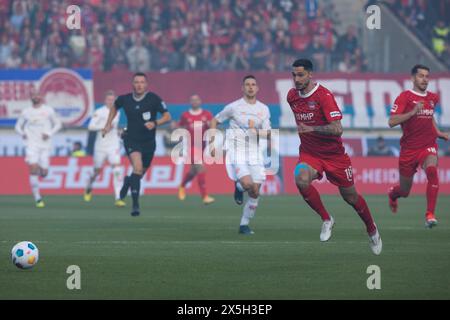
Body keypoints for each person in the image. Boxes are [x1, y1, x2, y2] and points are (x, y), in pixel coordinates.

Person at [287, 58, 382, 255]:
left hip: (335, 157)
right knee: (300, 178)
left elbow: (337, 129)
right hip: (310, 154)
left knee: (351, 197)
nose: (296, 79)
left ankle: (372, 229)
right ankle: (326, 218)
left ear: (310, 74)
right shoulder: (291, 96)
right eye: (294, 75)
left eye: (301, 75)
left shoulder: (324, 96)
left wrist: (311, 128)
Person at [102, 72, 172, 216]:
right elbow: (114, 107)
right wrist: (108, 124)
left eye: (142, 82)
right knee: (137, 168)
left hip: (148, 142)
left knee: (138, 174)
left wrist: (155, 122)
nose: (139, 85)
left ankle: (128, 182)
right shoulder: (125, 99)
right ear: (132, 84)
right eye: (136, 82)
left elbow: (167, 116)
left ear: (146, 85)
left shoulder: (153, 99)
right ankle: (135, 205)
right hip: (131, 139)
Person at [388, 64, 449, 228]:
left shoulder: (432, 98)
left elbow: (430, 117)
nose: (425, 79)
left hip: (427, 145)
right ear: (413, 78)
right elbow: (392, 122)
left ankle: (430, 214)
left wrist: (439, 133)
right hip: (408, 150)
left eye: (427, 76)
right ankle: (393, 195)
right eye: (421, 76)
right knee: (404, 191)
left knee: (432, 170)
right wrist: (412, 112)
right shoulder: (404, 97)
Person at [210, 75, 271, 235]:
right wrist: (212, 142)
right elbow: (214, 120)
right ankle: (239, 186)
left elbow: (268, 133)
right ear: (242, 88)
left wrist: (256, 131)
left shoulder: (263, 109)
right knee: (247, 184)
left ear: (257, 88)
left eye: (253, 84)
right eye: (247, 85)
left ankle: (244, 224)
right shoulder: (234, 107)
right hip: (236, 151)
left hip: (255, 152)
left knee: (255, 191)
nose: (250, 87)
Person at [15, 90, 62, 207]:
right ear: (31, 97)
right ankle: (38, 198)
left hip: (45, 145)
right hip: (31, 145)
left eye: (38, 95)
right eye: (33, 95)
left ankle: (43, 171)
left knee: (44, 173)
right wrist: (22, 133)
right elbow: (17, 126)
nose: (36, 97)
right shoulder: (26, 112)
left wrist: (49, 134)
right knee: (33, 168)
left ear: (41, 97)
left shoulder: (48, 110)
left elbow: (58, 124)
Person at [84, 90, 125, 207]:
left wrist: (119, 134)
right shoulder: (99, 112)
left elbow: (115, 127)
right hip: (100, 146)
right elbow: (91, 126)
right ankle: (89, 186)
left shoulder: (117, 112)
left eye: (113, 100)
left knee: (117, 169)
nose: (111, 102)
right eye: (109, 99)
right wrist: (105, 126)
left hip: (113, 145)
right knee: (97, 171)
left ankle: (118, 197)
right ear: (105, 100)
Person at [177, 94, 215, 204]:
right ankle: (205, 196)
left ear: (200, 101)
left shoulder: (206, 114)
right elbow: (180, 127)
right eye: (192, 100)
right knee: (201, 169)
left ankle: (182, 186)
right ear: (190, 102)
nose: (194, 102)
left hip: (202, 146)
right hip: (191, 147)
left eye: (196, 100)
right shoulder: (185, 115)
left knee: (193, 171)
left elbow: (211, 128)